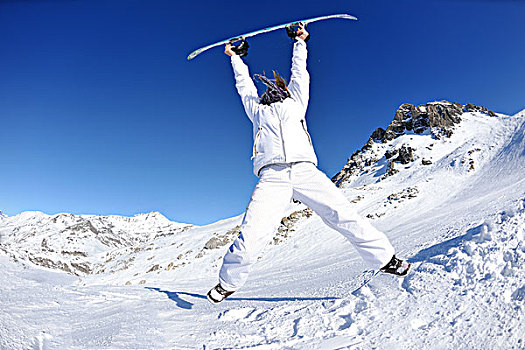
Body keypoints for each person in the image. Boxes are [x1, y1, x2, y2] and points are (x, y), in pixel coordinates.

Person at [207, 25, 410, 304]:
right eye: (267, 91)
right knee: (254, 231)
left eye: (276, 88)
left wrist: (299, 42)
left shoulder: (296, 103)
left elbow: (300, 73)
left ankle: (386, 259)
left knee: (341, 213)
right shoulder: (257, 111)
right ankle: (227, 283)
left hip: (304, 170)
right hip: (272, 175)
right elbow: (244, 85)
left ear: (283, 90)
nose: (271, 92)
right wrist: (235, 57)